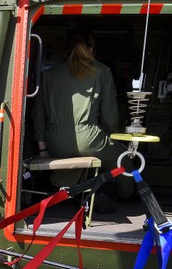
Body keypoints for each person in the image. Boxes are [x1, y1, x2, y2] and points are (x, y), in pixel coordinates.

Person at [32, 32, 131, 207]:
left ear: (66, 50)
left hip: (54, 141)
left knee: (70, 162)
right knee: (123, 158)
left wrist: (43, 150)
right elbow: (109, 114)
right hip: (89, 139)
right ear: (91, 48)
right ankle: (127, 196)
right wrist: (113, 136)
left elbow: (38, 114)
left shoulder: (49, 75)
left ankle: (66, 190)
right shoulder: (102, 71)